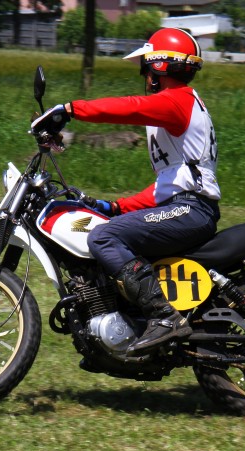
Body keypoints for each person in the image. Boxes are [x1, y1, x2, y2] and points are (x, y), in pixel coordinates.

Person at [31, 28, 220, 355]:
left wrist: (70, 110)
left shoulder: (177, 100)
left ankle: (165, 317)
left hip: (191, 210)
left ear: (159, 66)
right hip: (185, 206)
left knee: (103, 238)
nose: (145, 77)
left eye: (146, 69)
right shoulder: (182, 106)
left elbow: (129, 107)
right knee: (109, 227)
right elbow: (168, 186)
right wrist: (116, 206)